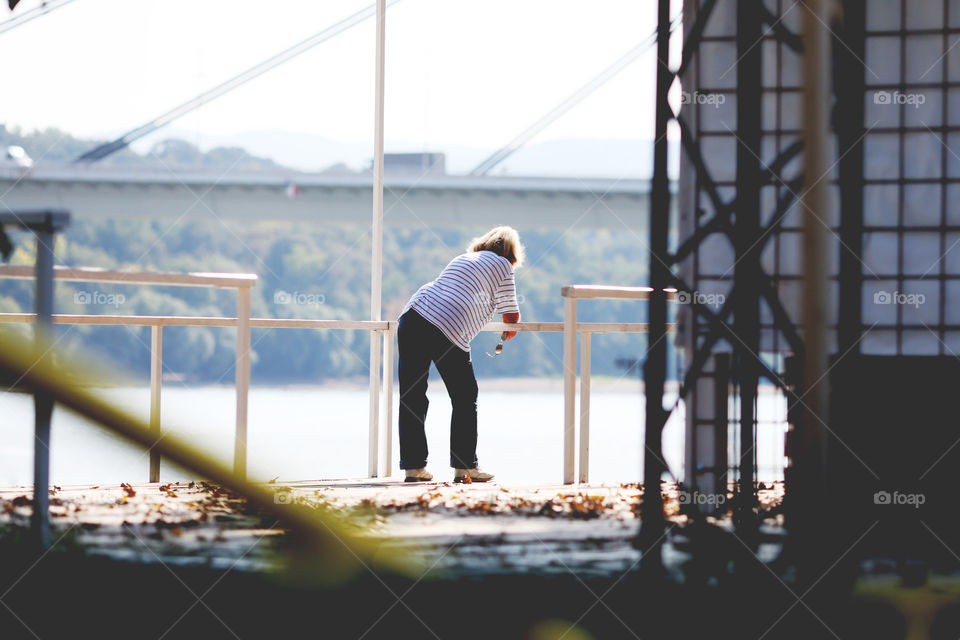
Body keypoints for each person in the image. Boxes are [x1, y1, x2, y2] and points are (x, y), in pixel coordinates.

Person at [397, 226, 523, 483]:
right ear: (512, 254)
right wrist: (507, 331)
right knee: (465, 397)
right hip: (448, 328)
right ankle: (465, 467)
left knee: (412, 396)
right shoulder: (503, 266)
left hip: (413, 316)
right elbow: (511, 317)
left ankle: (414, 468)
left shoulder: (462, 258)